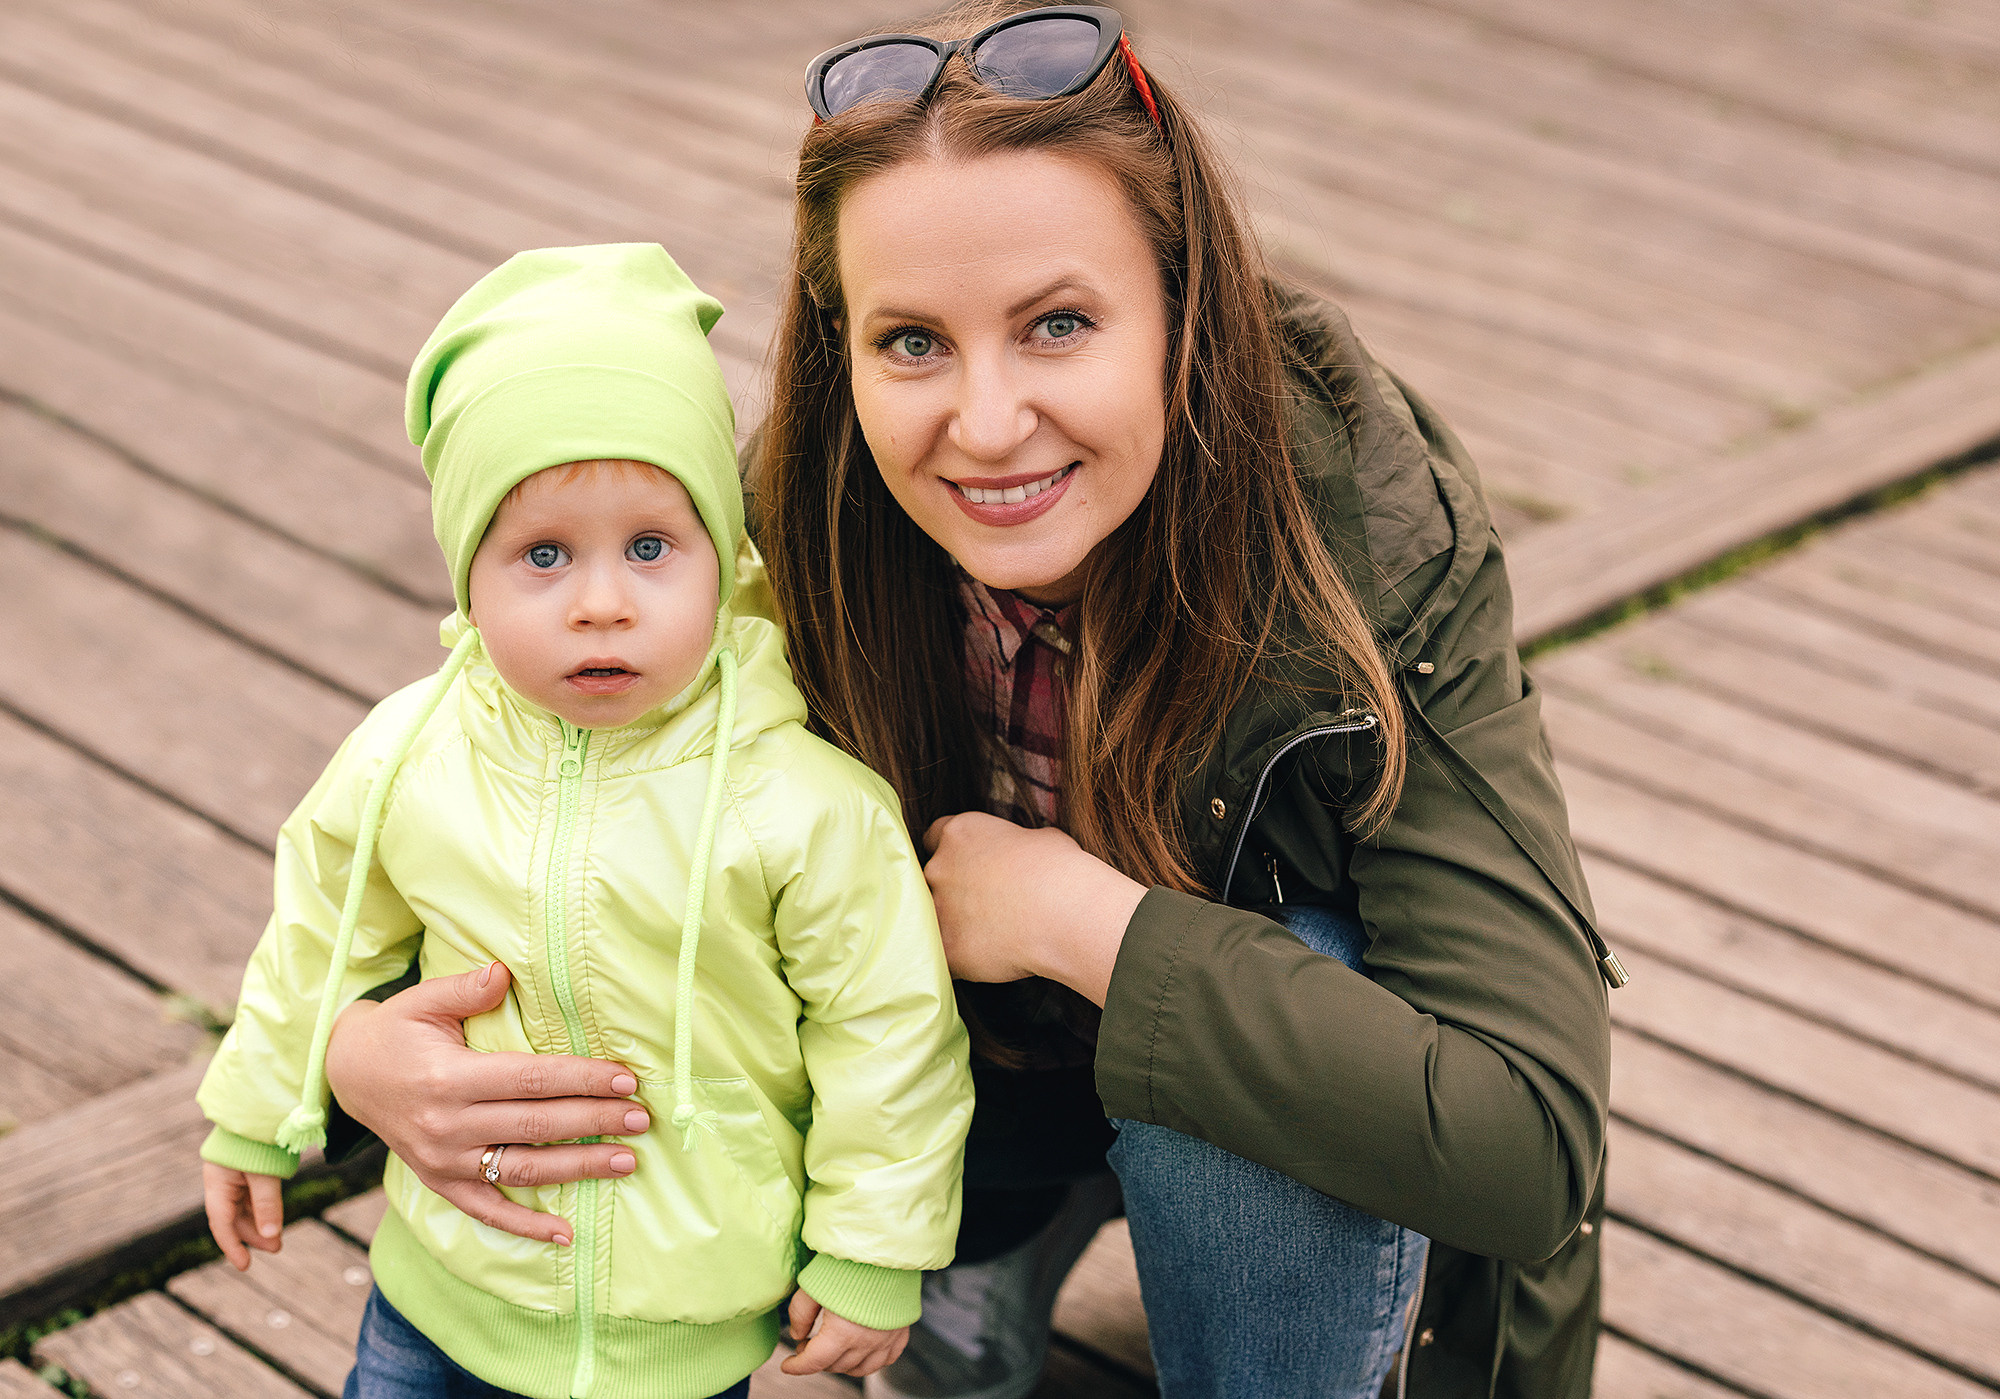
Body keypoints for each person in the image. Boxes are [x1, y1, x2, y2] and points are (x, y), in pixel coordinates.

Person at [320, 6, 1619, 1397]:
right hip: (972, 1095)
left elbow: (1527, 1139)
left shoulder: (1366, 553)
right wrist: (354, 1053)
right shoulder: (789, 525)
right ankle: (997, 1236)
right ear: (843, 347)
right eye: (913, 342)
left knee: (1284, 968)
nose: (987, 425)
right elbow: (501, 792)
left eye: (1057, 324)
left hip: (1253, 1131)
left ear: (1183, 311)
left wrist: (1080, 921)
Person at [194, 243, 974, 1399]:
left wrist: (871, 1246)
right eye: (543, 555)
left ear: (723, 555)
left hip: (683, 1321)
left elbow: (887, 1033)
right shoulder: (409, 754)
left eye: (650, 548)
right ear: (467, 576)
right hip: (441, 1288)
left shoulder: (804, 805)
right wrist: (256, 1111)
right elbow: (322, 927)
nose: (601, 602)